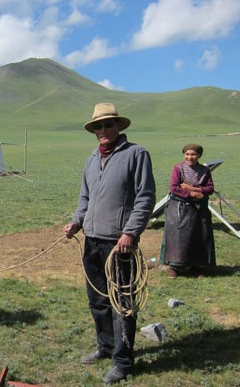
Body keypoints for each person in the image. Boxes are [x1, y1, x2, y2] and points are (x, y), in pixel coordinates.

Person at [64, 103, 156, 384]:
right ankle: (105, 346)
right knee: (97, 300)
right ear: (94, 131)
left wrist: (130, 232)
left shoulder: (136, 154)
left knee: (122, 303)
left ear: (119, 126)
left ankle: (123, 361)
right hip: (92, 240)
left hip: (120, 244)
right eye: (98, 126)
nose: (103, 130)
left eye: (109, 124)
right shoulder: (91, 159)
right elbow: (85, 199)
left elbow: (145, 197)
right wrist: (77, 221)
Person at [160, 143, 216, 278]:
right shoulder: (178, 168)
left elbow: (210, 189)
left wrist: (191, 188)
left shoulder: (205, 170)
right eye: (187, 154)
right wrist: (192, 194)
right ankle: (173, 267)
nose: (189, 157)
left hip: (199, 209)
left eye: (193, 154)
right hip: (180, 207)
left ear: (199, 155)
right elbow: (174, 188)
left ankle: (197, 266)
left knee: (200, 236)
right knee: (178, 237)